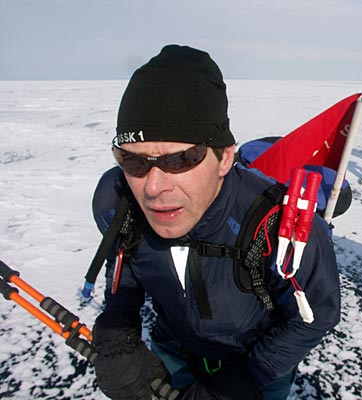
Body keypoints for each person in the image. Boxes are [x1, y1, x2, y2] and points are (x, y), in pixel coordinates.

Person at [90, 45, 341, 400]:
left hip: (255, 367)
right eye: (134, 162)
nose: (154, 186)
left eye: (181, 159)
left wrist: (249, 377)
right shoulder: (123, 209)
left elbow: (315, 314)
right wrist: (117, 326)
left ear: (224, 157)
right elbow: (126, 276)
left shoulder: (277, 225)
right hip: (174, 352)